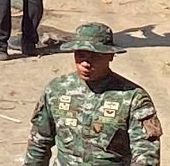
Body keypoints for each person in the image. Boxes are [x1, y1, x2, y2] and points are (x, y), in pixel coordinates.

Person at [23, 22, 162, 165]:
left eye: (95, 56)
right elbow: (39, 142)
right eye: (80, 55)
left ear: (110, 55)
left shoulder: (133, 98)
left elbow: (146, 154)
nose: (86, 63)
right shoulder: (56, 90)